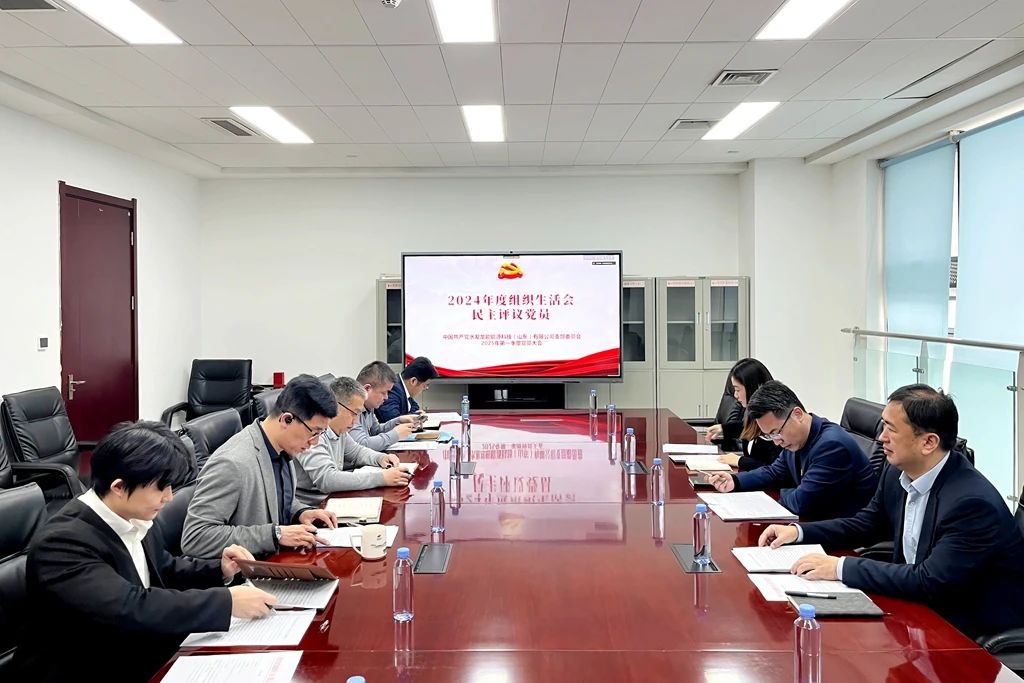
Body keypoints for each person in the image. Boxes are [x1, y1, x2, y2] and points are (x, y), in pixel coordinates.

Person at [16, 421, 277, 682]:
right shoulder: (63, 543)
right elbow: (130, 607)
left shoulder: (133, 514)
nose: (169, 497)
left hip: (139, 652)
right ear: (119, 487)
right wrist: (226, 602)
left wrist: (220, 569)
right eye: (161, 487)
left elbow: (165, 570)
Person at [759, 384, 1024, 640]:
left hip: (965, 630)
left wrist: (840, 567)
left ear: (929, 442)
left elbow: (929, 580)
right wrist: (799, 532)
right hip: (916, 613)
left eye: (891, 429)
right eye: (883, 425)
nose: (881, 437)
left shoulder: (971, 504)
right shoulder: (897, 472)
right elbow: (865, 524)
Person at [182, 374, 338, 559]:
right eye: (314, 432)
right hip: (249, 571)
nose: (315, 442)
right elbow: (196, 537)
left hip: (279, 560)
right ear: (286, 419)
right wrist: (275, 535)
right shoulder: (233, 463)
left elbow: (273, 499)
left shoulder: (282, 448)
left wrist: (300, 512)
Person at [705, 380, 876, 521]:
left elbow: (801, 503)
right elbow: (774, 472)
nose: (776, 441)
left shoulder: (832, 446)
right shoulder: (798, 438)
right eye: (769, 435)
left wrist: (782, 492)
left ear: (797, 414)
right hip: (813, 523)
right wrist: (735, 481)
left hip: (845, 539)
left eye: (776, 432)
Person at [294, 376, 411, 506]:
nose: (355, 421)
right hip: (312, 508)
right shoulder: (313, 433)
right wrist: (381, 478)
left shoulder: (340, 431)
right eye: (354, 413)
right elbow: (327, 479)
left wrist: (381, 458)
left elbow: (357, 452)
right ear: (336, 407)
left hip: (333, 500)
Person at [714, 358, 782, 471]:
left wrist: (739, 460)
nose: (735, 395)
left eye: (738, 390)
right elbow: (747, 427)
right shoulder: (754, 416)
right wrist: (723, 428)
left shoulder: (774, 422)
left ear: (752, 388)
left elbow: (774, 469)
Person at [349, 360, 420, 451]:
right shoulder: (351, 407)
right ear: (367, 389)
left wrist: (399, 420)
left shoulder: (369, 406)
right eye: (383, 392)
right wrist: (395, 435)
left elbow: (376, 431)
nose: (386, 397)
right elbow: (361, 445)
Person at [377, 356, 438, 422]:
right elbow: (394, 420)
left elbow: (415, 407)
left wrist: (415, 414)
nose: (426, 388)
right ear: (413, 381)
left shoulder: (402, 387)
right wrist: (415, 416)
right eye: (425, 385)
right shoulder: (392, 388)